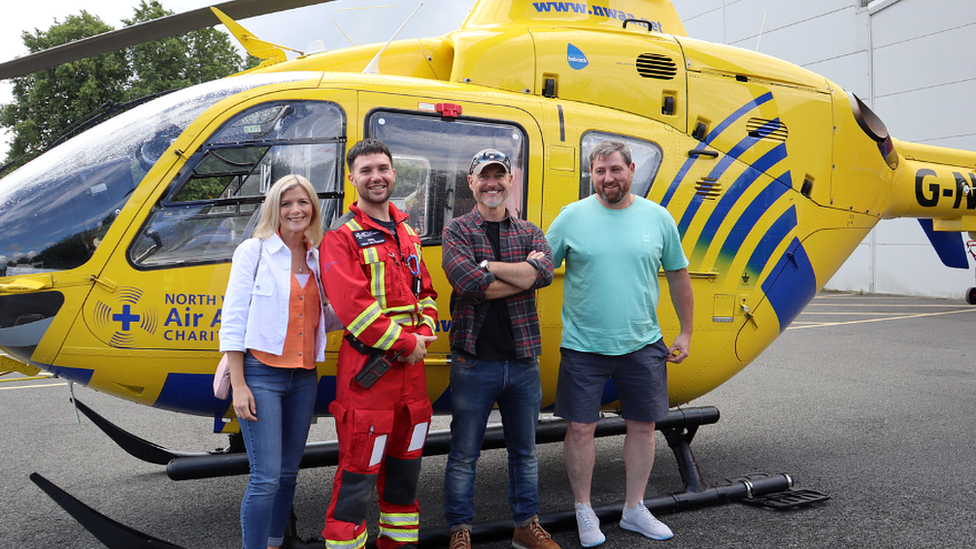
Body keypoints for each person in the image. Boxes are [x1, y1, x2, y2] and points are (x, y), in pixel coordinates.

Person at [545, 140, 694, 546]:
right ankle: (583, 510)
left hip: (642, 343)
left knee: (643, 428)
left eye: (615, 169)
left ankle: (634, 509)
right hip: (583, 344)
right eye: (599, 171)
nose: (607, 178)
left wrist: (685, 331)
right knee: (579, 429)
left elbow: (679, 275)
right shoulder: (570, 217)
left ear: (631, 170)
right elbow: (539, 267)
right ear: (590, 175)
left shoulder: (658, 218)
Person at [319, 138, 438, 549]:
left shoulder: (407, 231)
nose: (376, 177)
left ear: (393, 173)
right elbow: (356, 310)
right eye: (366, 171)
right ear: (352, 179)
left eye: (383, 169)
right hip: (369, 376)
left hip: (412, 376)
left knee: (405, 475)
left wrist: (424, 331)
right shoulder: (339, 239)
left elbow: (426, 292)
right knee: (357, 476)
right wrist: (407, 342)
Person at [441, 149, 558, 549]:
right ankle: (460, 531)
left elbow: (545, 271)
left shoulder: (530, 231)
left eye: (500, 176)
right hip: (473, 361)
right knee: (463, 454)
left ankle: (526, 527)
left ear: (511, 182)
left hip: (523, 361)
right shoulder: (456, 230)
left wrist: (488, 265)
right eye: (483, 176)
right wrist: (520, 274)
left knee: (524, 452)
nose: (492, 183)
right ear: (471, 183)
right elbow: (467, 283)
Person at [219, 174, 342, 549]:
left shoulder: (318, 257)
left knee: (288, 474)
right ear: (274, 208)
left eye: (303, 203)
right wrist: (239, 385)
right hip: (261, 375)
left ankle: (274, 543)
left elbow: (326, 316)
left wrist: (370, 303)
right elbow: (233, 320)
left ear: (313, 209)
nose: (295, 210)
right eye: (286, 203)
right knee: (266, 477)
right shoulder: (253, 252)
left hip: (303, 377)